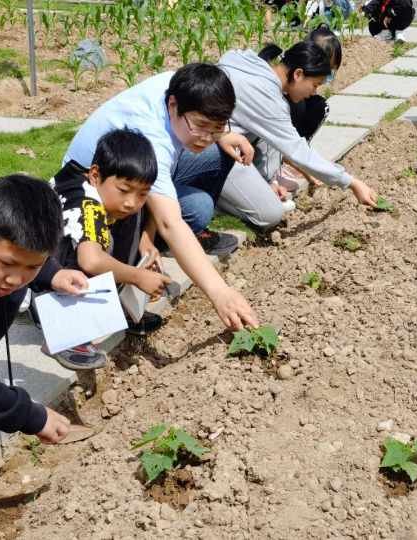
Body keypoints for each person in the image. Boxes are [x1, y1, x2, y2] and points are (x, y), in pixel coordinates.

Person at [61, 63, 259, 331]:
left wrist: (219, 135)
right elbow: (170, 222)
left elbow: (149, 190)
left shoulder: (177, 85)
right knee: (187, 211)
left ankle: (131, 277)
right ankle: (103, 309)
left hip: (128, 181)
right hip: (94, 193)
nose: (206, 137)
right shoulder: (152, 137)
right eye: (201, 125)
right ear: (173, 104)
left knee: (193, 201)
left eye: (216, 128)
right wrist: (219, 292)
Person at [0, 175, 90, 444]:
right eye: (7, 263)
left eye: (31, 267)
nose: (15, 278)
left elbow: (27, 257)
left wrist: (52, 274)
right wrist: (31, 415)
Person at [205, 40, 376, 230]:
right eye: (315, 85)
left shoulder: (250, 63)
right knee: (270, 214)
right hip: (213, 152)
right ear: (298, 74)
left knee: (267, 147)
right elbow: (298, 151)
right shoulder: (268, 97)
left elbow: (264, 139)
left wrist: (267, 180)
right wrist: (351, 182)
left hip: (215, 140)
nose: (313, 93)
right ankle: (209, 197)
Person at [48, 128, 170, 370]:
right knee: (100, 244)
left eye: (142, 193)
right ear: (95, 175)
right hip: (44, 277)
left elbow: (144, 206)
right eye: (124, 190)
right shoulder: (86, 203)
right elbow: (90, 260)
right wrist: (137, 276)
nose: (131, 201)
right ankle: (70, 333)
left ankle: (118, 306)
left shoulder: (116, 198)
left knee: (133, 216)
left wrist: (146, 240)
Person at [275, 24, 342, 193]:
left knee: (320, 106)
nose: (327, 76)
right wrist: (310, 173)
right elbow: (280, 137)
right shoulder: (277, 97)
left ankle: (293, 160)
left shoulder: (299, 89)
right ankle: (281, 165)